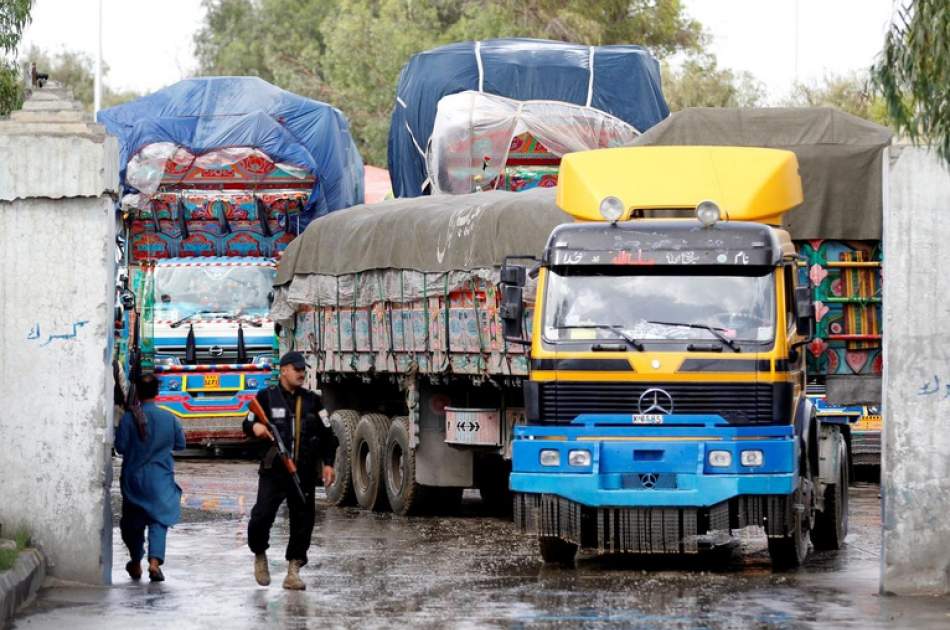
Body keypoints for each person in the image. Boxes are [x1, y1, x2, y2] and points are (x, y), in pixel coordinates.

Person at [243, 351, 337, 590]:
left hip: (303, 472)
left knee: (303, 521)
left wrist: (328, 464)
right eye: (296, 369)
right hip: (273, 470)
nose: (301, 373)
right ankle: (260, 553)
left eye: (303, 369)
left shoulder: (312, 401)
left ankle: (293, 570)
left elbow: (328, 436)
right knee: (261, 516)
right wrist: (256, 428)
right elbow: (247, 422)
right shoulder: (266, 397)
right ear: (283, 370)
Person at [114, 373, 186, 582]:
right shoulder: (169, 418)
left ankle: (136, 562)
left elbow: (120, 447)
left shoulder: (128, 418)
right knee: (158, 521)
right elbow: (180, 444)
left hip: (134, 481)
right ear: (157, 392)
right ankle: (154, 563)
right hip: (161, 480)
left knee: (132, 523)